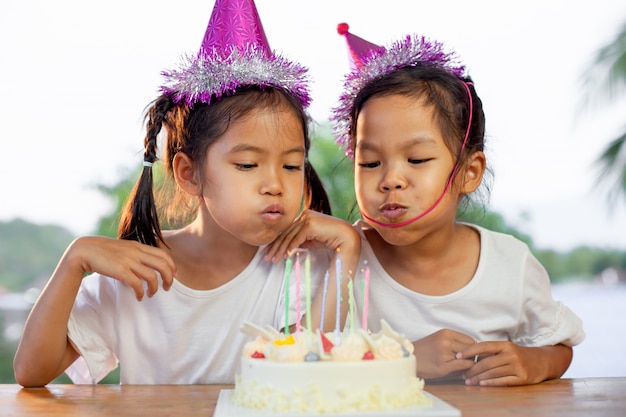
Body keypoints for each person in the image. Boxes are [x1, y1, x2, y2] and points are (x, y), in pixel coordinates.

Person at [12, 0, 358, 387]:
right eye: (247, 165)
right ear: (189, 173)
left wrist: (349, 247)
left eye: (292, 166)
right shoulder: (135, 272)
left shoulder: (302, 268)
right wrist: (74, 260)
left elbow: (314, 379)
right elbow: (31, 372)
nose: (275, 184)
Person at [331, 23, 585, 387]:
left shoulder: (510, 264)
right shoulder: (344, 262)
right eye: (370, 163)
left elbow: (559, 345)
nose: (390, 179)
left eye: (417, 159)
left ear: (469, 171)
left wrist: (533, 362)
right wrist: (403, 359)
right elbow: (305, 357)